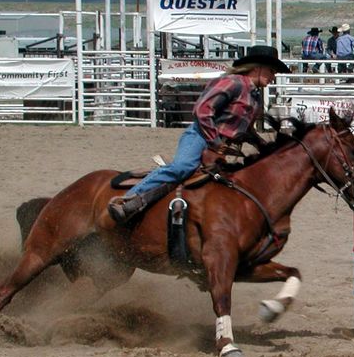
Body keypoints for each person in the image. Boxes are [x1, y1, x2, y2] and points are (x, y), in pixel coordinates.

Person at [107, 45, 291, 224]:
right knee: (183, 167)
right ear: (257, 68)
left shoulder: (255, 96)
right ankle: (129, 200)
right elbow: (203, 110)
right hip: (201, 136)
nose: (273, 77)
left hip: (222, 146)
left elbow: (245, 129)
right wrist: (215, 142)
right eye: (272, 71)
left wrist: (262, 145)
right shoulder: (233, 83)